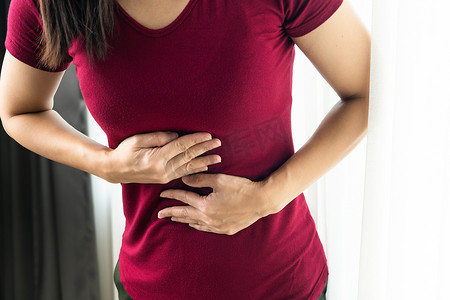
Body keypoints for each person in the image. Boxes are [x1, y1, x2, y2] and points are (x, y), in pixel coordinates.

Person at [0, 0, 370, 299]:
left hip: (282, 284)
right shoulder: (47, 5)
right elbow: (20, 110)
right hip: (146, 284)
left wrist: (267, 198)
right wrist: (105, 164)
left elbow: (367, 93)